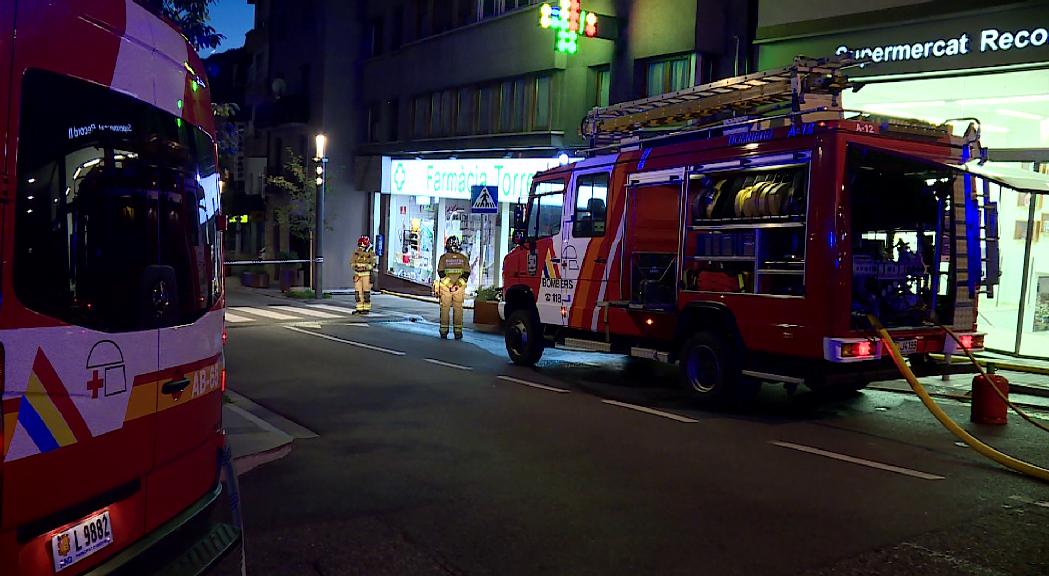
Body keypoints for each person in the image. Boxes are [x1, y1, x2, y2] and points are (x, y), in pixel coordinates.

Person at [435, 236, 469, 339]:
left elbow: (441, 273)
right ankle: (458, 332)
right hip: (459, 289)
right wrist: (457, 285)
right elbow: (466, 274)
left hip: (446, 288)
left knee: (445, 309)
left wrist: (450, 285)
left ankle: (444, 331)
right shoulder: (463, 258)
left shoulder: (443, 258)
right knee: (458, 309)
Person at [351, 235, 376, 314]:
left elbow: (373, 264)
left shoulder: (371, 253)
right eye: (360, 245)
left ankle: (366, 308)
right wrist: (355, 266)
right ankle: (359, 308)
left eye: (363, 245)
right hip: (357, 275)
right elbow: (352, 262)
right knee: (358, 293)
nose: (361, 247)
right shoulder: (356, 252)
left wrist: (365, 267)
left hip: (366, 275)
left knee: (366, 292)